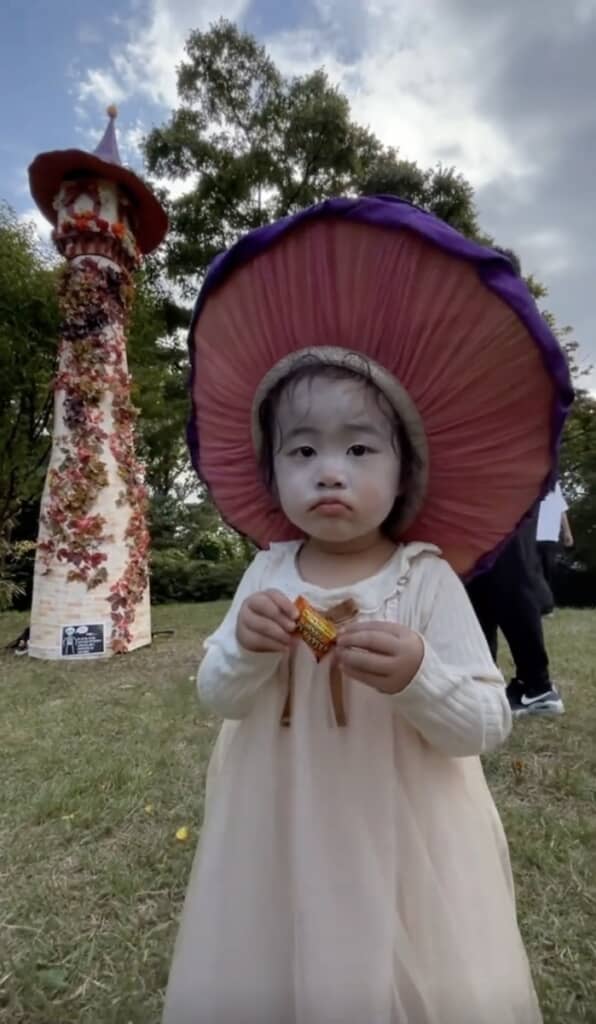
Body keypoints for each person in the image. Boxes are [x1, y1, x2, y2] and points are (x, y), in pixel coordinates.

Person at [162, 197, 572, 1024]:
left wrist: (422, 675)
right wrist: (241, 650)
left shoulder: (423, 579)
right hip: (275, 831)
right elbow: (215, 694)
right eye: (302, 449)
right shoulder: (268, 571)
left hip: (404, 837)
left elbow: (487, 721)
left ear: (404, 467)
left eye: (359, 447)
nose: (329, 472)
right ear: (273, 469)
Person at [466, 506, 565, 717]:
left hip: (504, 486)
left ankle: (537, 687)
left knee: (510, 571)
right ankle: (484, 679)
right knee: (480, 574)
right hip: (486, 487)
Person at [536, 481, 573, 614]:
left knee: (549, 572)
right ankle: (536, 606)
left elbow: (562, 510)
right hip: (533, 536)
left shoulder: (555, 486)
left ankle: (548, 607)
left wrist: (567, 532)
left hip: (551, 537)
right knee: (534, 572)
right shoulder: (531, 481)